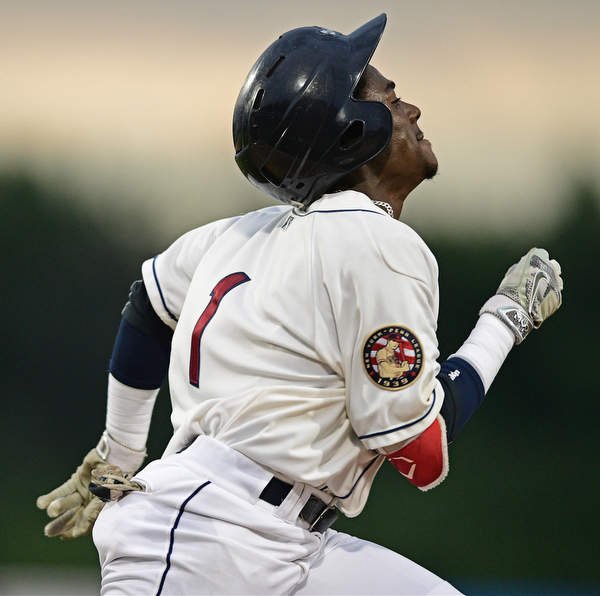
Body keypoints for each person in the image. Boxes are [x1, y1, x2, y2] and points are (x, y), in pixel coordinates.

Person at [36, 14, 563, 595]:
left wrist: (119, 453)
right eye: (391, 97)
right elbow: (421, 452)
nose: (411, 110)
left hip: (284, 540)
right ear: (350, 131)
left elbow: (146, 307)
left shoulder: (235, 236)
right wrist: (503, 322)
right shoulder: (378, 243)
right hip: (204, 536)